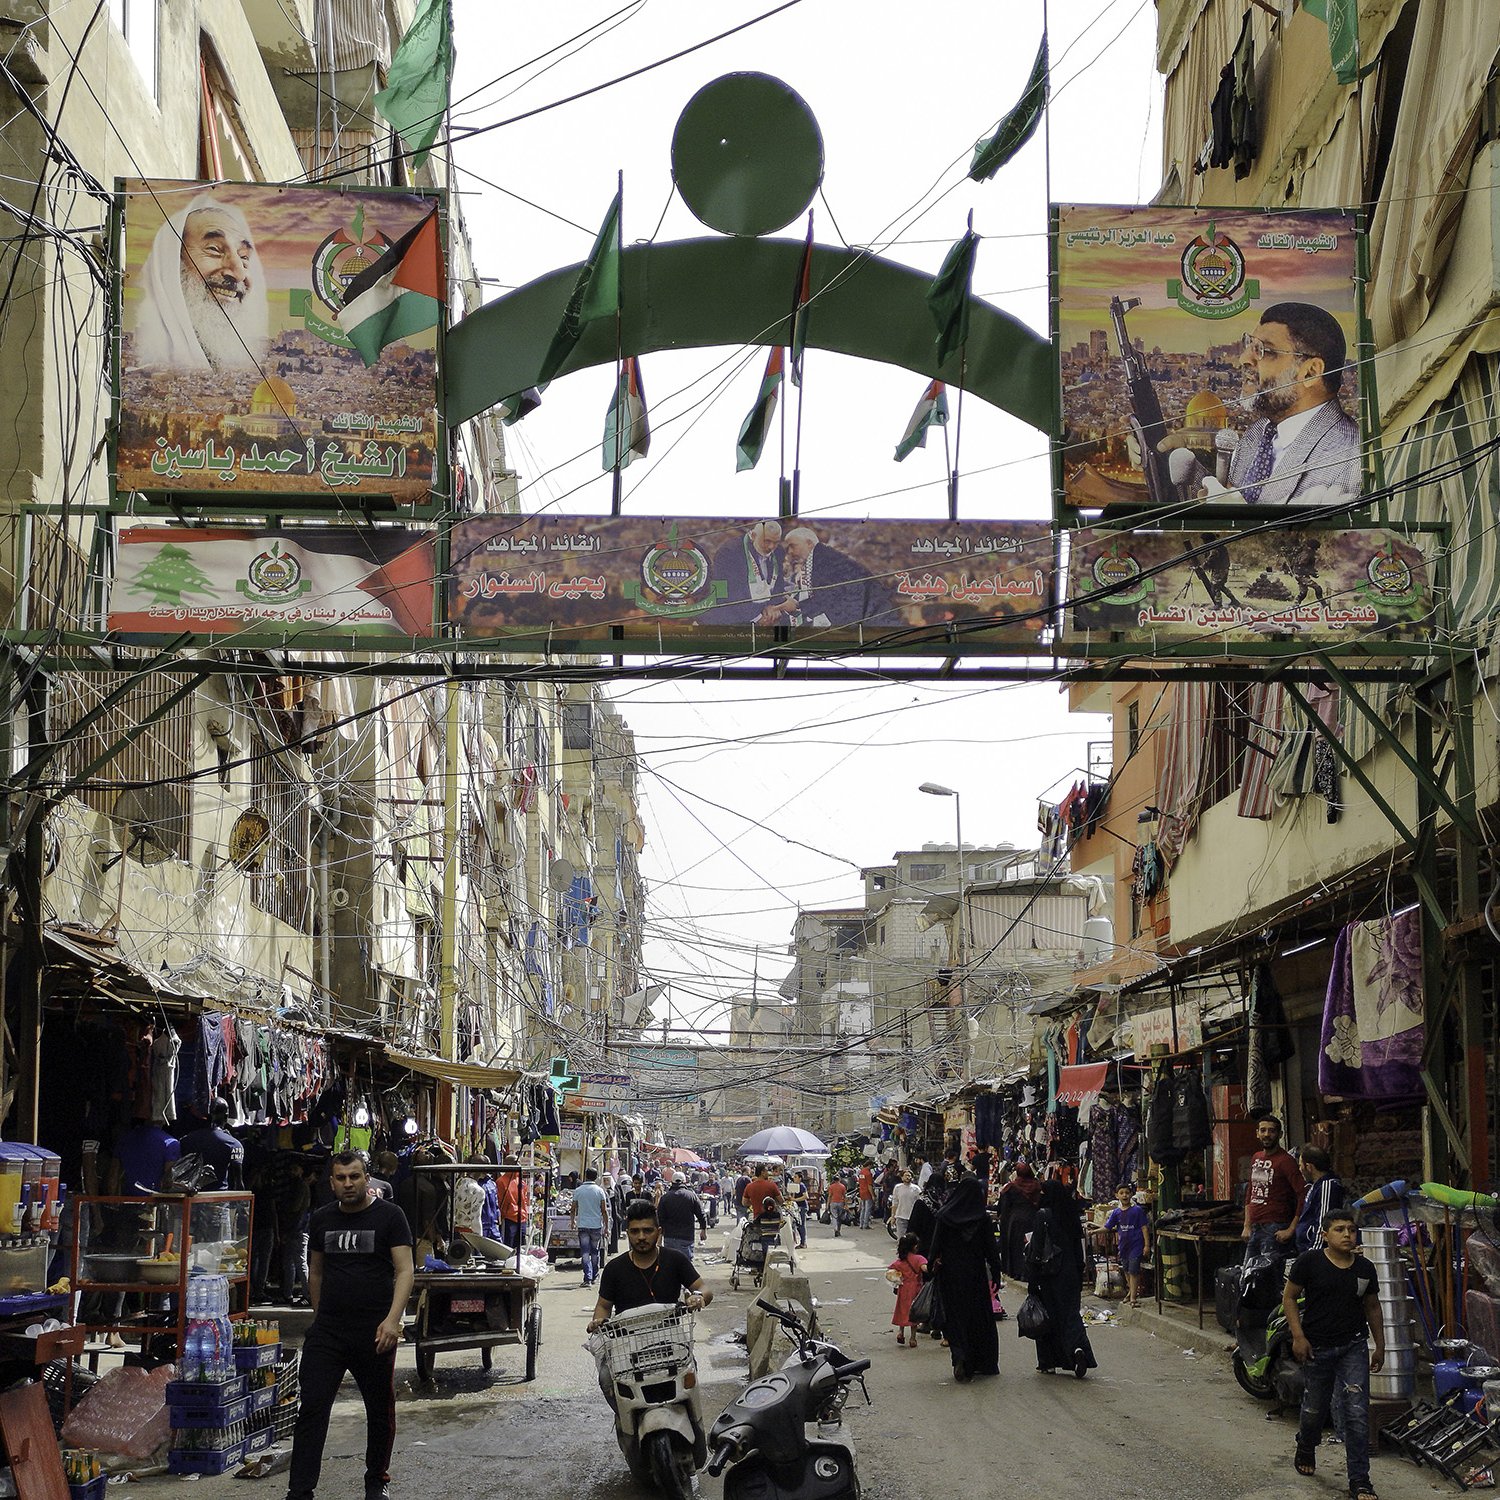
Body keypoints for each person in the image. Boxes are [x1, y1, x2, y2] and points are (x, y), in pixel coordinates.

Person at [287, 1151, 414, 1500]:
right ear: (331, 1183)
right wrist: (319, 1316)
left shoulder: (391, 1216)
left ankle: (376, 1481)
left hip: (374, 1332)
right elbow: (316, 1271)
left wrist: (392, 1321)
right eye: (341, 1178)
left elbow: (405, 1270)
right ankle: (300, 1490)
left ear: (366, 1178)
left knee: (379, 1409)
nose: (347, 1184)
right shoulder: (322, 1219)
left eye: (354, 1177)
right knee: (312, 1408)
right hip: (328, 1332)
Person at [1284, 1210, 1384, 1500]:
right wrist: (1298, 1336)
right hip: (1317, 1348)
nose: (1347, 1235)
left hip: (1353, 1346)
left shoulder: (1365, 1268)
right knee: (1314, 1409)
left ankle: (1360, 1480)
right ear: (1325, 1235)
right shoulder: (1310, 1262)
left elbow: (1372, 1307)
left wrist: (1380, 1345)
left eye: (1351, 1230)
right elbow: (1289, 1297)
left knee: (1356, 1412)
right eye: (1339, 1229)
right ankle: (1306, 1444)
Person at [1225, 303, 1361, 507]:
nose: (1244, 359)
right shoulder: (1257, 434)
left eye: (1264, 351)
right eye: (1249, 345)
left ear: (1311, 372)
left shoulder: (1350, 458)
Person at [131, 193, 269, 372]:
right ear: (171, 263)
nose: (239, 273)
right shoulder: (148, 364)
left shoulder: (233, 366)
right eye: (214, 249)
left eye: (243, 257)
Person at [587, 1199, 713, 1333]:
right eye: (635, 1231)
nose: (641, 1237)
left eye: (647, 1231)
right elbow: (604, 1306)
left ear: (658, 1232)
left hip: (671, 1342)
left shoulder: (675, 1260)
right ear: (628, 1233)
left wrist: (699, 1297)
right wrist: (598, 1323)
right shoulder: (614, 1268)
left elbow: (704, 1289)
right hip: (625, 1345)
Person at [928, 1175, 1004, 1381]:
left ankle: (960, 1356)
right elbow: (991, 1250)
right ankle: (981, 1362)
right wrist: (996, 1275)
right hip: (975, 1277)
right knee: (977, 1319)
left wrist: (929, 1268)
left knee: (955, 1318)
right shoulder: (982, 1219)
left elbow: (935, 1247)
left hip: (951, 1276)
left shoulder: (945, 1216)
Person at [1027, 1178, 1098, 1379]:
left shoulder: (1043, 1216)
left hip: (1049, 1274)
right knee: (1070, 1315)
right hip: (1071, 1274)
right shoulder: (1070, 1215)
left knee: (1048, 1317)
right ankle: (1078, 1351)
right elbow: (1079, 1248)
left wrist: (1032, 1278)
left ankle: (1048, 1362)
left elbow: (1037, 1250)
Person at [763, 525, 898, 628]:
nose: (790, 552)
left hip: (873, 619)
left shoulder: (825, 560)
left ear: (809, 543)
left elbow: (825, 597)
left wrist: (796, 606)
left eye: (793, 546)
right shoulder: (817, 559)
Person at [1242, 1116, 1305, 1261]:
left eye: (1271, 1131)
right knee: (1248, 1276)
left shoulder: (1286, 1161)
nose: (1266, 1135)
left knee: (1269, 1276)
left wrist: (1291, 1229)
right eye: (1263, 1130)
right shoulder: (1256, 1158)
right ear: (1257, 1133)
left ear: (1280, 1134)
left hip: (1276, 1228)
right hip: (1255, 1227)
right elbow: (1250, 1192)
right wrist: (1247, 1225)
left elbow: (1302, 1194)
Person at [706, 520, 784, 625]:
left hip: (767, 617)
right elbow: (729, 594)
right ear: (753, 535)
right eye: (767, 541)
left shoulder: (778, 551)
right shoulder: (729, 552)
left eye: (776, 542)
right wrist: (758, 617)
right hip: (733, 619)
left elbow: (778, 586)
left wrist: (772, 606)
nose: (771, 547)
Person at [1104, 1184, 1152, 1308]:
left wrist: (1146, 1245)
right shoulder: (1116, 1212)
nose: (1124, 1195)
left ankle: (1133, 1298)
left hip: (1136, 1245)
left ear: (1131, 1194)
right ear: (1117, 1195)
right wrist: (1093, 1231)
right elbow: (1107, 1227)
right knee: (1126, 1270)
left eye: (1127, 1192)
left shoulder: (1137, 1210)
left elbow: (1144, 1228)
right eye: (1121, 1193)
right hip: (1123, 1246)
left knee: (1134, 1271)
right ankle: (1131, 1291)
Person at [179, 1101, 245, 1190]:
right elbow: (239, 1183)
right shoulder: (233, 1144)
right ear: (226, 1117)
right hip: (219, 1199)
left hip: (191, 1197)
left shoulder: (186, 1140)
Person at [1295, 1146, 1347, 1254]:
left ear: (1309, 1167)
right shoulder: (1315, 1186)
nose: (1300, 1169)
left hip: (1316, 1252)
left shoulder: (1327, 1186)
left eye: (1300, 1165)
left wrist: (1314, 1254)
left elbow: (1324, 1223)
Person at [996, 1161, 1042, 1280]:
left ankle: (1017, 1271)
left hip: (1015, 1221)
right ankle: (1029, 1271)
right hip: (1032, 1219)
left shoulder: (1012, 1186)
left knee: (1016, 1247)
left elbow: (1004, 1205)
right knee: (1030, 1246)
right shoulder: (1037, 1185)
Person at [570, 1168, 610, 1288]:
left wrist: (572, 1221)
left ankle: (587, 1278)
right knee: (595, 1251)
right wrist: (607, 1227)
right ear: (596, 1177)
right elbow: (604, 1211)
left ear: (586, 1176)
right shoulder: (600, 1191)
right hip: (596, 1226)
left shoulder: (578, 1190)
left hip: (583, 1225)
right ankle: (594, 1276)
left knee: (585, 1252)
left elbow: (573, 1208)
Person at [888, 1233, 928, 1348]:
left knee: (902, 1311)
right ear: (915, 1247)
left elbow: (890, 1270)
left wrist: (898, 1280)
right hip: (915, 1289)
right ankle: (912, 1338)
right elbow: (925, 1268)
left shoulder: (900, 1261)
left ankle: (901, 1332)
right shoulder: (919, 1258)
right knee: (913, 1313)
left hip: (903, 1289)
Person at [657, 1172, 708, 1260]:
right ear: (684, 1182)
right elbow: (701, 1214)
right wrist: (703, 1230)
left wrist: (659, 1237)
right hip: (686, 1237)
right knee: (686, 1265)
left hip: (670, 1237)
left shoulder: (665, 1198)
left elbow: (660, 1219)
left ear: (672, 1182)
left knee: (670, 1265)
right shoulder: (691, 1196)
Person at [496, 1155, 531, 1250]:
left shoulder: (522, 1182)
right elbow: (499, 1201)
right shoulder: (501, 1181)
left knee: (521, 1247)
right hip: (509, 1219)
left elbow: (524, 1200)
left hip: (522, 1218)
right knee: (508, 1247)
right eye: (516, 1162)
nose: (519, 1164)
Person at [889, 1170, 920, 1245]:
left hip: (912, 1217)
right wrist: (893, 1216)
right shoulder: (897, 1188)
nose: (907, 1177)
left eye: (909, 1175)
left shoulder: (916, 1189)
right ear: (902, 1177)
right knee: (901, 1240)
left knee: (913, 1240)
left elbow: (920, 1203)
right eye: (906, 1175)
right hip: (901, 1217)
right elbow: (895, 1202)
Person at [786, 1171, 809, 1248]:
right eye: (794, 1177)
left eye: (796, 1177)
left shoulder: (801, 1186)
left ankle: (803, 1243)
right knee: (796, 1225)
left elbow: (806, 1196)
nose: (794, 1178)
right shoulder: (794, 1186)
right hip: (795, 1207)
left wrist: (795, 1199)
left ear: (800, 1178)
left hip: (802, 1207)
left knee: (801, 1225)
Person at [856, 1162, 876, 1230]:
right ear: (869, 1165)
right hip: (867, 1193)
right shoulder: (868, 1173)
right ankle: (865, 1225)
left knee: (863, 1209)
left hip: (862, 1192)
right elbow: (869, 1185)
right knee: (868, 1209)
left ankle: (861, 1224)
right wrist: (873, 1195)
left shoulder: (861, 1172)